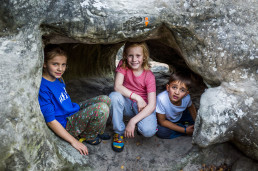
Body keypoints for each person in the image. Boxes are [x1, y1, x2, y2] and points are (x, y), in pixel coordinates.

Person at [38, 46, 111, 155]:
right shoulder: (43, 87)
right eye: (55, 64)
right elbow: (50, 121)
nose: (60, 69)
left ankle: (95, 130)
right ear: (44, 64)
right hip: (66, 124)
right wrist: (74, 141)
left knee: (105, 99)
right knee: (101, 109)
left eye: (63, 64)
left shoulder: (58, 78)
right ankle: (87, 136)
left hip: (72, 111)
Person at [109, 42, 157, 152]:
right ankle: (118, 132)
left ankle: (139, 123)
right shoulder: (123, 65)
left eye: (138, 56)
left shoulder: (149, 76)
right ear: (125, 55)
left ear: (144, 56)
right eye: (130, 55)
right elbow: (117, 86)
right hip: (126, 102)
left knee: (148, 131)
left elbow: (152, 105)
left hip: (142, 107)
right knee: (114, 97)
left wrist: (132, 121)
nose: (134, 59)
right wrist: (137, 98)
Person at [156, 71, 197, 139]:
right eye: (174, 87)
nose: (177, 92)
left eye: (182, 90)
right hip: (167, 119)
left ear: (186, 93)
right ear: (168, 88)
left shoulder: (187, 98)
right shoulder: (161, 99)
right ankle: (183, 128)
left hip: (180, 115)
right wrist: (185, 130)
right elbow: (162, 122)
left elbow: (191, 107)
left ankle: (180, 126)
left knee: (198, 121)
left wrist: (196, 122)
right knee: (161, 132)